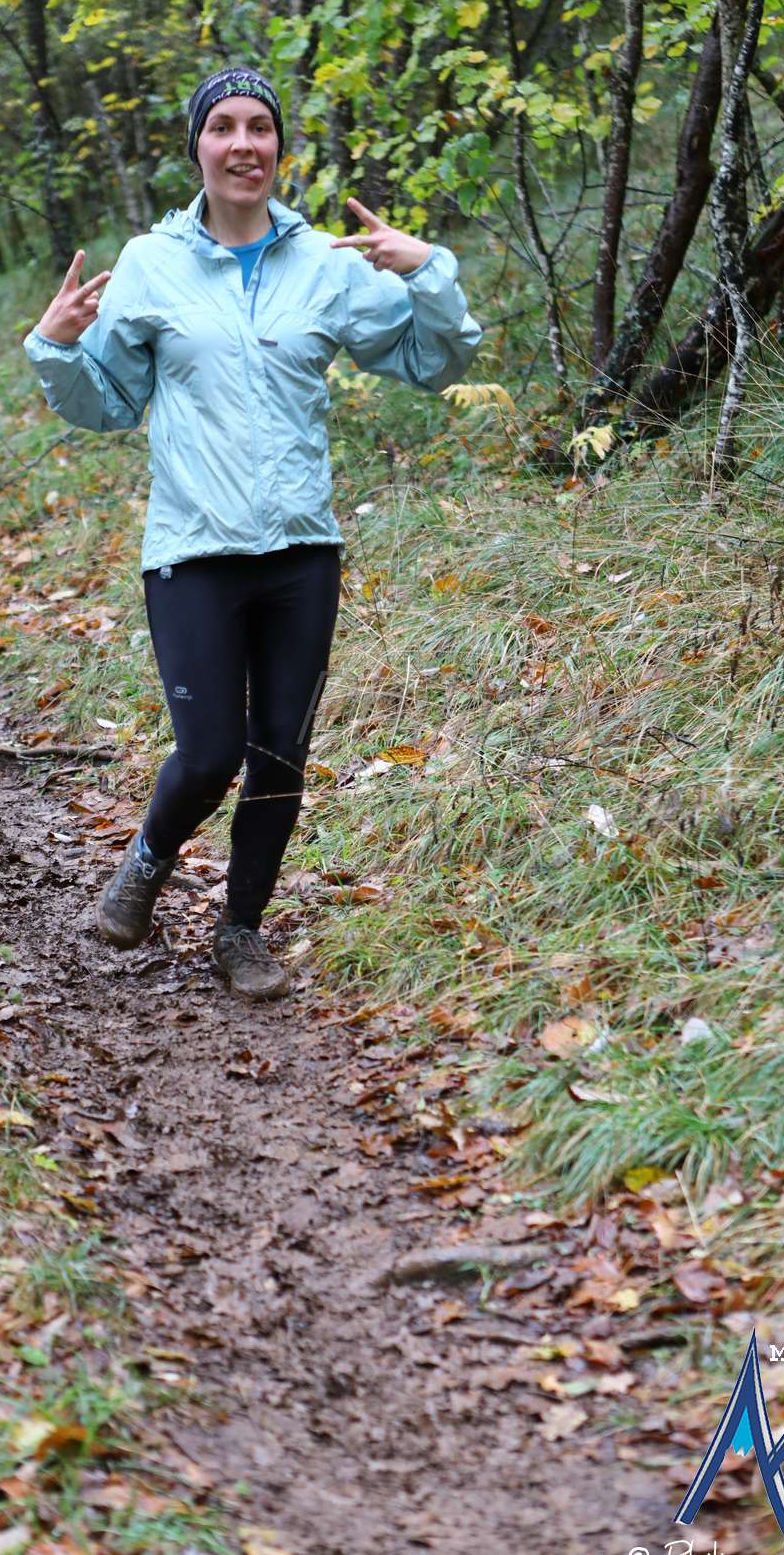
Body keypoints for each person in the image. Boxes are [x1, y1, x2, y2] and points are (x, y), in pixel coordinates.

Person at [24, 66, 481, 998]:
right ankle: (148, 860)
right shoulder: (150, 262)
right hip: (193, 551)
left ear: (279, 146)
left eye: (260, 127)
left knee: (280, 755)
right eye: (224, 126)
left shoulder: (325, 266)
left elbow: (433, 361)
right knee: (208, 754)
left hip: (300, 553)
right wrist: (58, 346)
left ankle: (241, 932)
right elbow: (109, 403)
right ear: (197, 145)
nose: (244, 144)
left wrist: (426, 270)